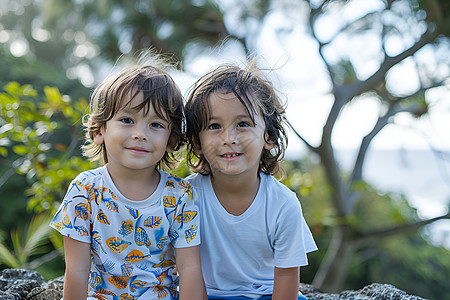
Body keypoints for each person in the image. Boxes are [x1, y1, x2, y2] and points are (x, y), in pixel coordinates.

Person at [50, 53, 207, 300]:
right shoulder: (85, 191)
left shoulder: (179, 195)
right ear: (99, 129)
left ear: (171, 140)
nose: (140, 134)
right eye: (126, 120)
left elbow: (190, 269)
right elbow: (77, 271)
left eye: (155, 124)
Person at [184, 62, 317, 300]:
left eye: (243, 124)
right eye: (214, 126)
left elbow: (287, 278)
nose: (229, 138)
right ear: (196, 142)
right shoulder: (186, 197)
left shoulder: (283, 204)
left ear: (269, 136)